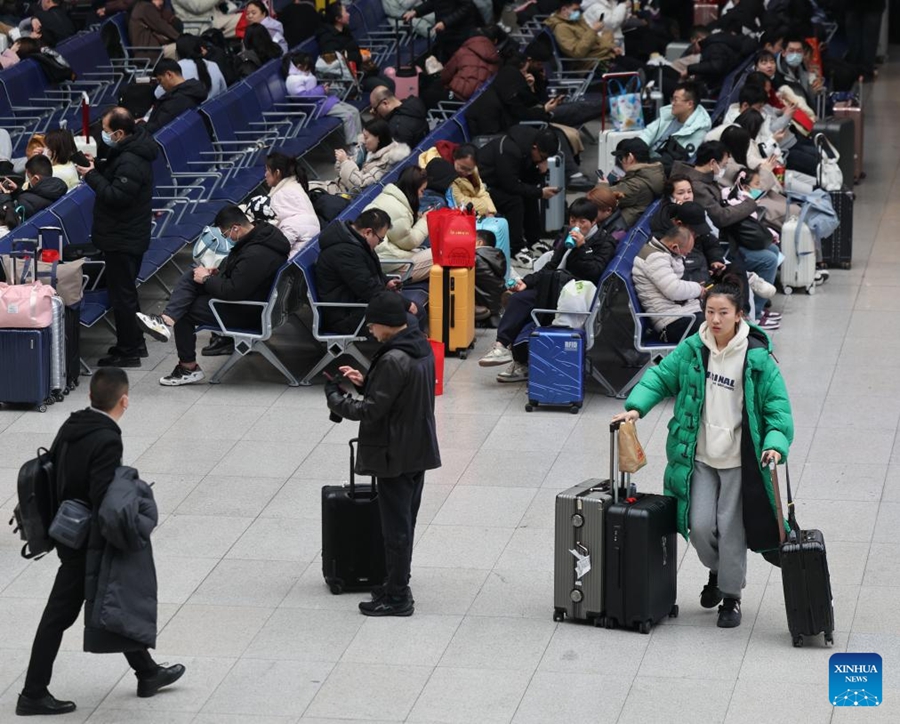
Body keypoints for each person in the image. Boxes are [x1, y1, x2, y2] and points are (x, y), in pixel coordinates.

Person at [612, 272, 793, 628]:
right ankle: (718, 571)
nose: (715, 320)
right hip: (699, 456)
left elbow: (778, 410)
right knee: (697, 525)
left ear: (740, 314)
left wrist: (774, 445)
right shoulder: (694, 349)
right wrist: (636, 407)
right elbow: (661, 378)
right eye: (710, 311)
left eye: (723, 312)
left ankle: (731, 596)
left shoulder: (757, 358)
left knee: (731, 528)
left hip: (740, 460)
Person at [16, 368, 185, 717]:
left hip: (65, 528)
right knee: (62, 613)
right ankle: (32, 693)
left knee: (111, 596)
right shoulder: (108, 438)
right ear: (124, 400)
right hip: (85, 539)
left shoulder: (74, 423)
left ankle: (147, 672)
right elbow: (101, 495)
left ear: (91, 396)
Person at [324, 292, 441, 617]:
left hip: (394, 454)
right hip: (418, 447)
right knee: (406, 520)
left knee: (396, 529)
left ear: (387, 325)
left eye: (373, 324)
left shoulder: (393, 359)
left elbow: (373, 412)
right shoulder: (418, 349)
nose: (370, 330)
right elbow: (399, 396)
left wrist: (336, 399)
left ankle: (397, 596)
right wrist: (368, 383)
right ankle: (394, 583)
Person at [136, 206, 291, 385]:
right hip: (253, 298)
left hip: (248, 311)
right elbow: (244, 275)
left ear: (236, 228)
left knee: (185, 311)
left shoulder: (256, 254)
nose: (227, 239)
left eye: (225, 235)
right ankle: (166, 320)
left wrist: (208, 279)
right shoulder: (263, 237)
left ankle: (188, 368)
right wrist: (220, 271)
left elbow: (232, 291)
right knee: (193, 274)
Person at [479, 198, 616, 380]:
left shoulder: (604, 242)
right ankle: (504, 348)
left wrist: (583, 247)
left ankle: (516, 357)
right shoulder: (568, 234)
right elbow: (552, 266)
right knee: (519, 300)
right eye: (573, 220)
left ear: (593, 222)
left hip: (575, 297)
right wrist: (527, 281)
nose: (576, 225)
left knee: (521, 307)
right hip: (554, 286)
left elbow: (594, 273)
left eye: (582, 222)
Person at [76, 108, 157, 367]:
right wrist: (97, 166)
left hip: (123, 237)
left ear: (120, 133)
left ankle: (129, 351)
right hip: (124, 233)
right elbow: (116, 178)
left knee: (123, 296)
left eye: (108, 132)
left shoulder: (131, 160)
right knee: (125, 293)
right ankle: (133, 342)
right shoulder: (129, 150)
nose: (105, 136)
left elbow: (116, 196)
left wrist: (90, 176)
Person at [315, 208, 422, 334]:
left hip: (359, 305)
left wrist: (386, 281)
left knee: (417, 311)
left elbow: (367, 273)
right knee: (409, 320)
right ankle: (404, 352)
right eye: (380, 239)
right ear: (367, 232)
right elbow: (368, 288)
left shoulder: (354, 242)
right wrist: (404, 303)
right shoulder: (344, 252)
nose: (379, 243)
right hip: (346, 316)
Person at [476, 125, 560, 260]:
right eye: (543, 157)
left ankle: (533, 240)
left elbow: (528, 181)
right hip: (483, 187)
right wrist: (539, 192)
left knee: (530, 194)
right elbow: (510, 185)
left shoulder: (528, 148)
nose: (543, 161)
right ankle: (516, 249)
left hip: (500, 183)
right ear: (535, 148)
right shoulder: (510, 150)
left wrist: (541, 172)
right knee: (514, 201)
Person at [632, 225, 704, 343]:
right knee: (718, 326)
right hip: (670, 323)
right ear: (674, 247)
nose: (684, 256)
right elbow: (674, 290)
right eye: (685, 253)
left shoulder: (661, 253)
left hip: (678, 314)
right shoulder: (654, 258)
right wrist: (698, 289)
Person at [282, 51, 362, 145]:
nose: (309, 69)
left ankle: (361, 143)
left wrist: (322, 89)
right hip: (316, 107)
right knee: (348, 116)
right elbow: (303, 97)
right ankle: (352, 147)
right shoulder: (292, 80)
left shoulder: (302, 74)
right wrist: (322, 90)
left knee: (354, 111)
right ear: (300, 66)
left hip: (323, 102)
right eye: (307, 66)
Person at [368, 166, 433, 282]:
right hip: (389, 265)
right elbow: (410, 242)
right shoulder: (399, 210)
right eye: (421, 191)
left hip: (384, 261)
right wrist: (425, 221)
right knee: (441, 254)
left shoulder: (389, 197)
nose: (422, 196)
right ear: (413, 189)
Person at [325, 118, 410, 195]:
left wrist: (345, 162)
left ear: (378, 138)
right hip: (341, 186)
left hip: (347, 194)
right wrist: (343, 161)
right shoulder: (366, 150)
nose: (363, 141)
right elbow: (341, 170)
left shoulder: (386, 162)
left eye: (366, 138)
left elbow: (360, 186)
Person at [598, 137, 664, 227]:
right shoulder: (652, 175)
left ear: (630, 158)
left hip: (618, 230)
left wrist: (603, 185)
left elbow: (598, 200)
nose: (621, 162)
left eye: (621, 158)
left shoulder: (635, 185)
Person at [264, 152, 320, 255]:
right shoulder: (294, 186)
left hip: (295, 254)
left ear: (277, 173)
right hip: (309, 247)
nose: (265, 174)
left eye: (267, 170)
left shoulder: (281, 195)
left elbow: (273, 231)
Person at [640, 81, 711, 159]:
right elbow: (647, 134)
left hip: (660, 166)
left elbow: (678, 159)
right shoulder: (669, 115)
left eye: (675, 100)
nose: (672, 103)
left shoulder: (698, 130)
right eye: (672, 99)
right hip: (645, 157)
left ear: (690, 104)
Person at [402, 0, 482, 62]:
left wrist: (445, 23)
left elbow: (467, 6)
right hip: (446, 34)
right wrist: (416, 11)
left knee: (461, 63)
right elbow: (433, 2)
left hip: (460, 33)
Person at [545, 0, 618, 67]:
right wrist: (593, 31)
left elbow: (596, 39)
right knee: (624, 74)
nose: (578, 13)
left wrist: (612, 47)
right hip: (590, 65)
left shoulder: (578, 20)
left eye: (579, 10)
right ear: (564, 9)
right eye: (575, 10)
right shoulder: (561, 28)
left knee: (627, 65)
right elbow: (577, 53)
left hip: (602, 56)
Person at [437, 26, 503, 101]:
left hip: (458, 97)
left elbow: (445, 76)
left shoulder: (464, 51)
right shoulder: (496, 57)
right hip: (479, 100)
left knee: (427, 94)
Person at [144, 59, 207, 133]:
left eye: (160, 80)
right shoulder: (192, 92)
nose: (160, 85)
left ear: (169, 75)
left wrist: (140, 124)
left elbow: (156, 128)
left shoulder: (175, 100)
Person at [0, 154, 67, 217]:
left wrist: (5, 198)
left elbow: (12, 220)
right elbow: (34, 198)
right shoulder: (60, 187)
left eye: (29, 177)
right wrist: (17, 191)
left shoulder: (25, 201)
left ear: (36, 178)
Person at [171, 34, 228, 101]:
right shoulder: (213, 65)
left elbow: (158, 93)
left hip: (189, 110)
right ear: (200, 48)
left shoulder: (175, 68)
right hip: (214, 108)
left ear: (178, 52)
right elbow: (224, 91)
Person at [846, 0, 885, 81]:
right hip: (873, 5)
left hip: (852, 5)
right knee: (870, 40)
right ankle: (866, 72)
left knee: (855, 40)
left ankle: (854, 72)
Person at [317, 2, 363, 66]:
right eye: (345, 12)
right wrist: (360, 58)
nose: (348, 14)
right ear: (338, 18)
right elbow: (336, 61)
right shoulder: (328, 39)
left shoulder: (345, 30)